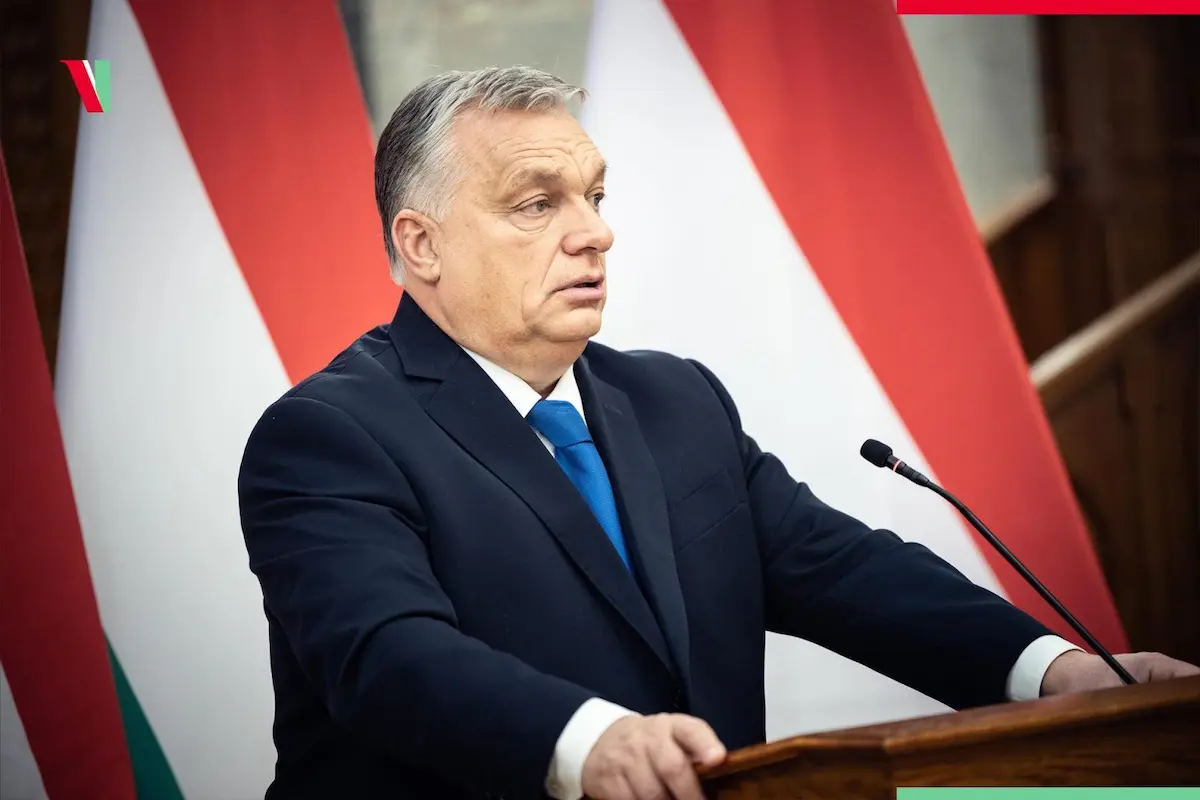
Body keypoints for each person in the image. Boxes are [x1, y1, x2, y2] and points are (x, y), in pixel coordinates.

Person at [237, 67, 1197, 800]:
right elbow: (389, 660)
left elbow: (844, 572)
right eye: (537, 204)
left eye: (595, 196)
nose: (594, 233)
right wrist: (590, 743)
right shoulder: (329, 436)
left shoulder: (675, 400)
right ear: (422, 245)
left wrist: (1056, 672)